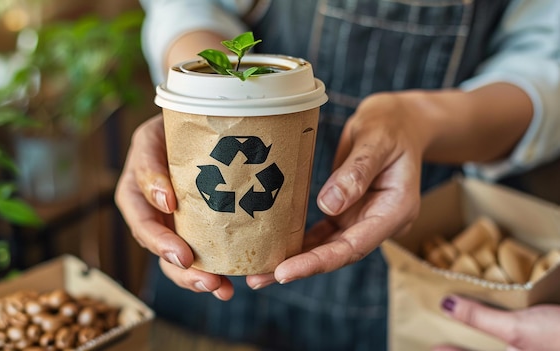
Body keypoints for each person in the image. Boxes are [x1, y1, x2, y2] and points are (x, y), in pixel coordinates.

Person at [116, 0, 560, 350]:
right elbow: (190, 7)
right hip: (210, 288)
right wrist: (200, 112)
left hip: (410, 246)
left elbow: (546, 59)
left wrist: (420, 121)